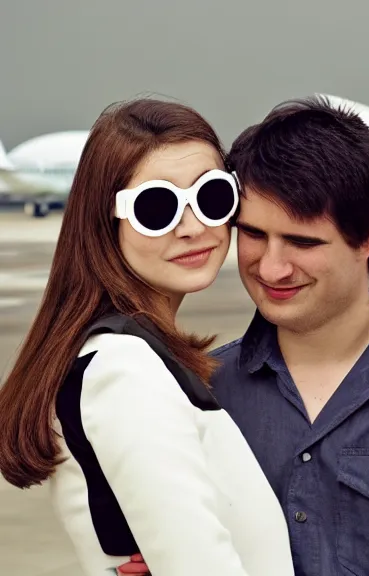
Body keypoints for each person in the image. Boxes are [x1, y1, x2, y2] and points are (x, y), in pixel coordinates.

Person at [119, 95, 369, 576]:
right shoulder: (201, 392)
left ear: (368, 238)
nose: (271, 268)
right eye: (254, 236)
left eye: (302, 242)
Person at [0, 98, 295, 576]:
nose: (193, 227)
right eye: (156, 207)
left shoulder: (135, 357)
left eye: (212, 197)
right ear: (105, 222)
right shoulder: (124, 371)